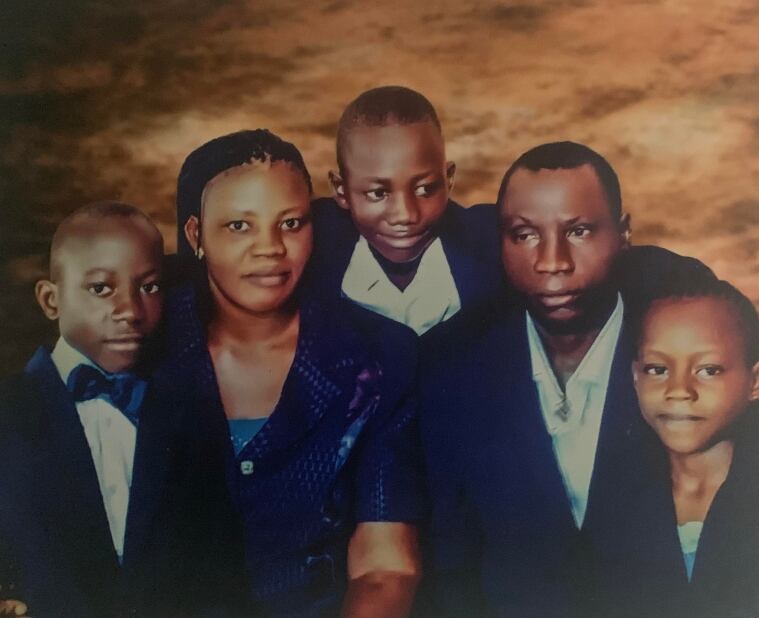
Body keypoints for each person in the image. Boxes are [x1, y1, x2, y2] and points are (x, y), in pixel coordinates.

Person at [418, 141, 715, 617]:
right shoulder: (454, 371)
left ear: (623, 234)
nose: (552, 262)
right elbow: (450, 568)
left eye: (578, 231)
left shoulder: (687, 347)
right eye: (525, 235)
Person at [163, 129, 423, 617]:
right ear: (196, 235)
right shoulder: (147, 343)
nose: (270, 249)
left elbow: (385, 569)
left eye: (291, 223)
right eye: (240, 226)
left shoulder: (378, 357)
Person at [0, 202, 227, 617]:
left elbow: (214, 566)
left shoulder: (189, 413)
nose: (130, 311)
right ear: (51, 300)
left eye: (149, 287)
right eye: (101, 289)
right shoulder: (10, 415)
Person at [595, 278, 759, 617]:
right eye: (658, 369)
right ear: (636, 377)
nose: (678, 390)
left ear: (757, 382)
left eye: (708, 370)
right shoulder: (608, 500)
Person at [307, 85, 501, 337]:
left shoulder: (493, 247)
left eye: (424, 189)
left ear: (448, 178)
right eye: (378, 193)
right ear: (340, 190)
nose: (405, 215)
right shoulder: (312, 251)